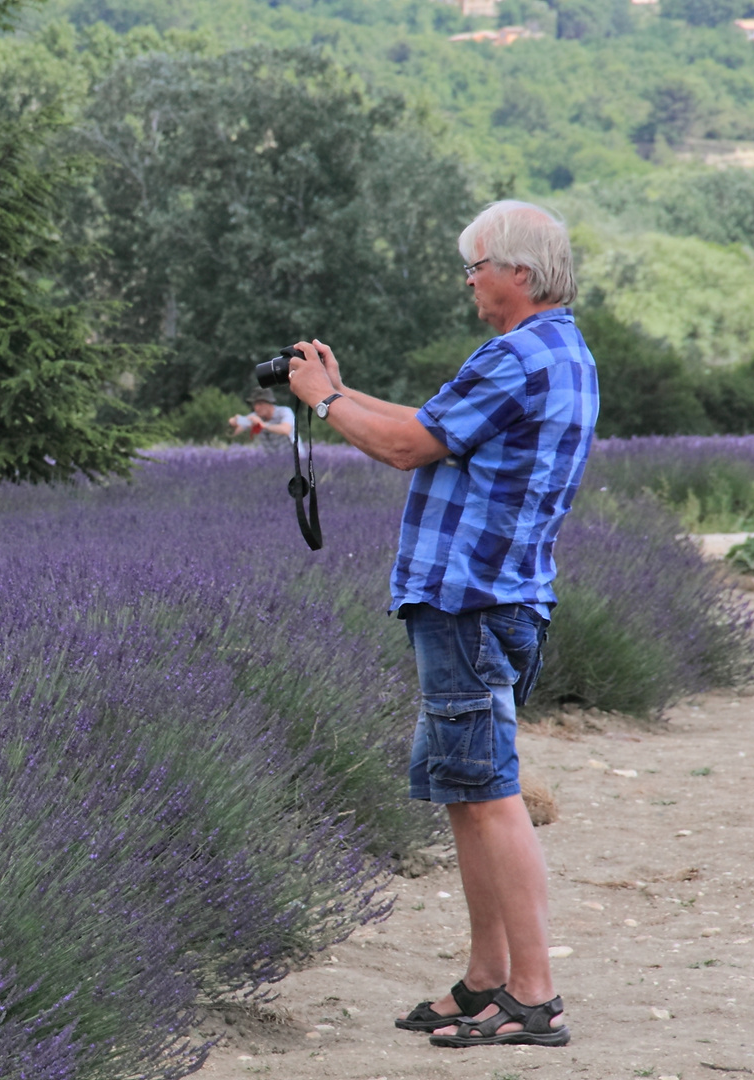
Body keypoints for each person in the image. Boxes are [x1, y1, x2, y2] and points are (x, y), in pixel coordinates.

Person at [285, 200, 598, 1049]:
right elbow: (429, 426)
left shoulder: (517, 356)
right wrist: (338, 389)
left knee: (491, 797)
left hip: (470, 603)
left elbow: (403, 449)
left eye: (477, 265)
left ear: (518, 276)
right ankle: (488, 981)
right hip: (499, 600)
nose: (469, 280)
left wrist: (320, 405)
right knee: (469, 794)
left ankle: (535, 997)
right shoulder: (552, 351)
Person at [227, 387, 295, 450]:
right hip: (274, 460)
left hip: (296, 459)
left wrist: (262, 424)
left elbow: (286, 430)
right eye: (254, 404)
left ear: (270, 403)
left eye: (260, 404)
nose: (256, 408)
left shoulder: (284, 412)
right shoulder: (255, 416)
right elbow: (234, 432)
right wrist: (233, 423)